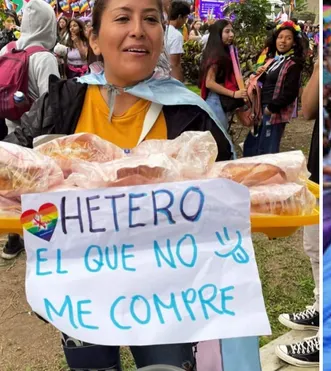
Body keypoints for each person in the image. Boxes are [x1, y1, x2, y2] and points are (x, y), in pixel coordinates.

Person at [4, 0, 232, 367]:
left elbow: (231, 199)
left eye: (151, 19)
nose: (138, 29)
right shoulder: (64, 101)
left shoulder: (190, 116)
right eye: (123, 17)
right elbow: (14, 169)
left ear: (161, 35)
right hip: (81, 294)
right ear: (94, 39)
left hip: (167, 299)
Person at [0, 0, 60, 261]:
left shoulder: (7, 48)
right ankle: (40, 240)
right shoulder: (44, 57)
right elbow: (53, 101)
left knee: (15, 185)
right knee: (39, 186)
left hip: (11, 128)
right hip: (37, 134)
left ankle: (13, 241)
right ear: (49, 24)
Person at [275, 58, 320, 368]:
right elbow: (309, 109)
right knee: (316, 247)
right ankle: (322, 305)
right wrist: (320, 67)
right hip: (323, 165)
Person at [243, 20, 306, 157]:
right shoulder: (273, 60)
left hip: (273, 112)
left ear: (294, 43)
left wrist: (271, 108)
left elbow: (290, 92)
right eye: (280, 37)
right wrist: (261, 74)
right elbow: (269, 83)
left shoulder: (293, 64)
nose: (283, 41)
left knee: (268, 151)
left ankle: (268, 178)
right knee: (256, 147)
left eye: (288, 38)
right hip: (262, 110)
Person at [200, 19, 246, 132]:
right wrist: (234, 94)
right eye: (227, 31)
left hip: (219, 100)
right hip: (215, 101)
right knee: (220, 139)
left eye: (232, 31)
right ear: (218, 33)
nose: (231, 35)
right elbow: (209, 83)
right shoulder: (216, 55)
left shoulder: (224, 52)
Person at [166, 0, 190, 81]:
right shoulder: (176, 35)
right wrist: (179, 84)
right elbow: (175, 64)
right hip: (166, 78)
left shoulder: (160, 29)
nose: (185, 21)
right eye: (185, 17)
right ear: (180, 17)